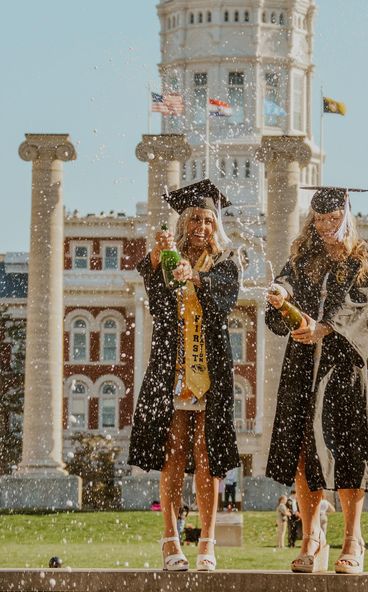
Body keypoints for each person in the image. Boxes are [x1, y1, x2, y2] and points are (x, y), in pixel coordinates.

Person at [266, 187, 368, 574]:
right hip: (303, 365)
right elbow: (287, 282)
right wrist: (280, 293)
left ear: (346, 217)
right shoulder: (304, 258)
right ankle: (312, 536)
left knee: (350, 450)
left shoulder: (367, 260)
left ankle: (353, 538)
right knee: (303, 448)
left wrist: (325, 328)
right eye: (319, 220)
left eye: (333, 220)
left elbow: (358, 307)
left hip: (344, 367)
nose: (326, 227)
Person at [128, 179, 241, 572]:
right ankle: (170, 538)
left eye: (208, 220)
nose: (201, 227)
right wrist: (159, 264)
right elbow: (159, 309)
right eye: (195, 219)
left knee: (207, 458)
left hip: (210, 373)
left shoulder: (226, 262)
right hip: (172, 371)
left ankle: (207, 543)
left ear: (216, 225)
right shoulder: (166, 261)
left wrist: (195, 278)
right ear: (183, 222)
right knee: (172, 453)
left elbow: (225, 300)